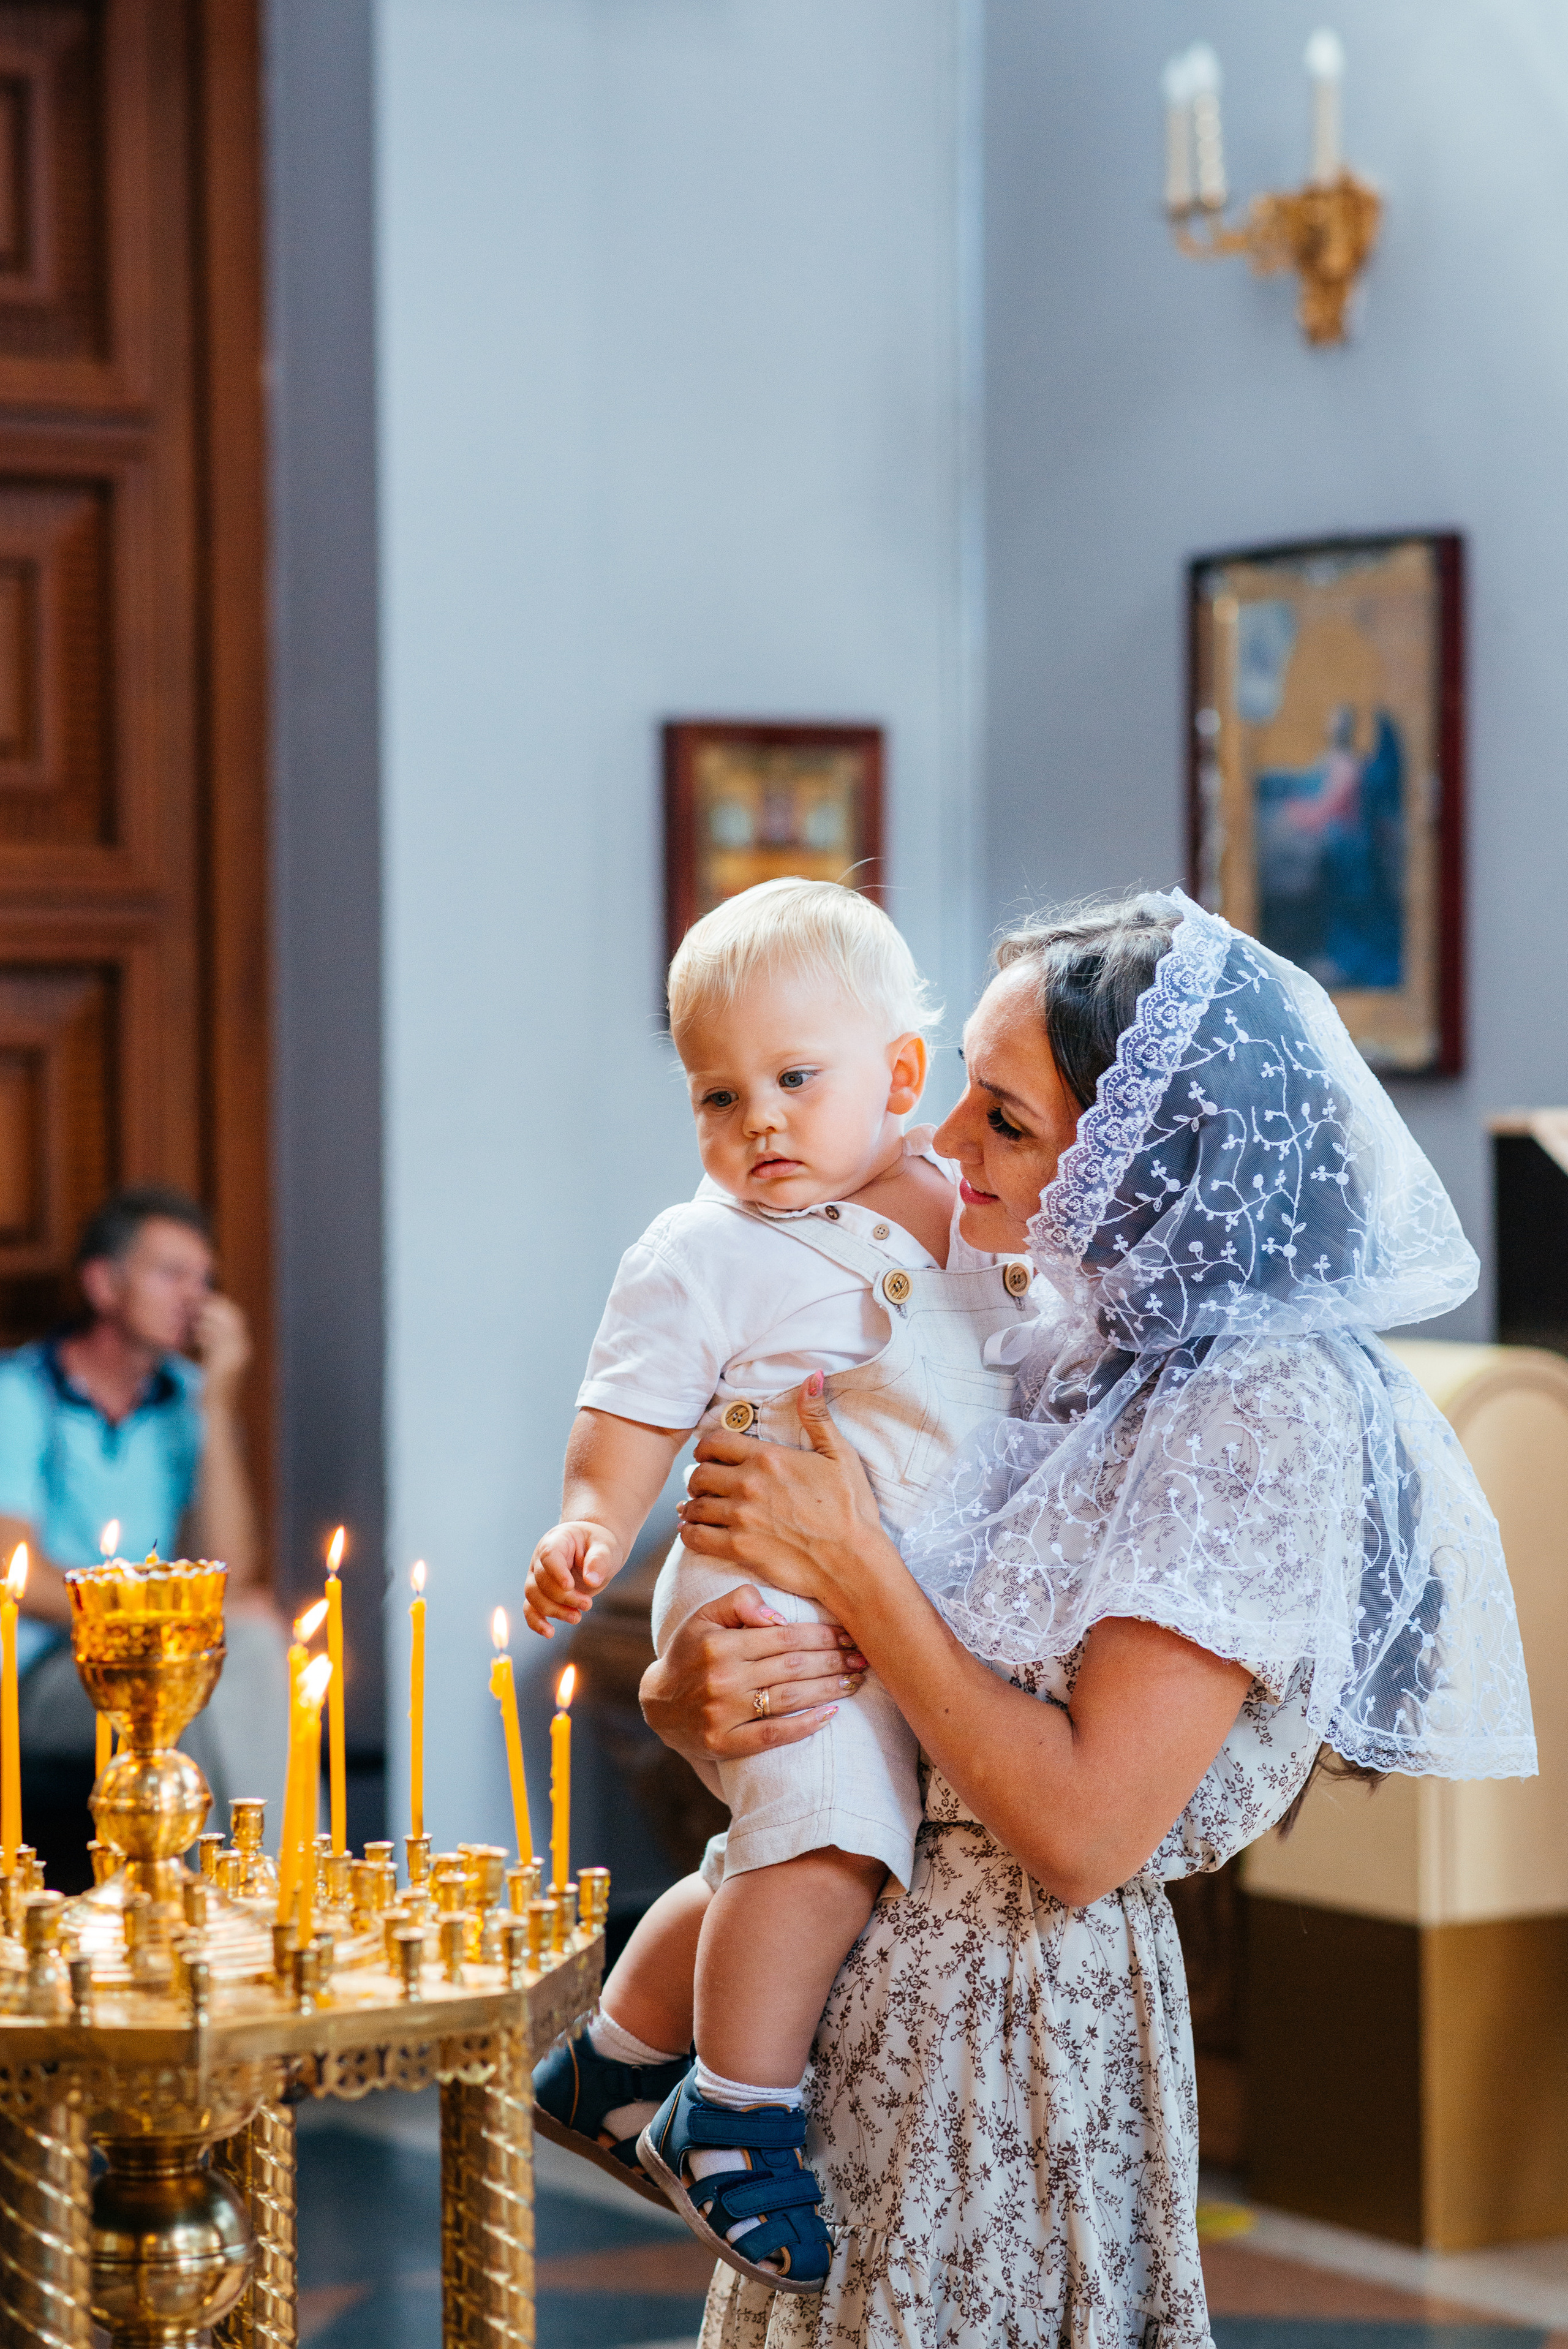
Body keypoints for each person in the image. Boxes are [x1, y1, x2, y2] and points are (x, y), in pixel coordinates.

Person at [641, 888, 1536, 2349]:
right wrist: (697, 1688)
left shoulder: (1256, 1405)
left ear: (1147, 1158)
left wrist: (854, 1564)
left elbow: (1077, 1827)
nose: (940, 1146)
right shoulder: (1059, 1342)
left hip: (1012, 2042)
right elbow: (875, 1692)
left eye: (1001, 1119)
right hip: (842, 2007)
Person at [526, 879, 1036, 2290]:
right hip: (760, 1590)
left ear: (900, 1074)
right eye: (715, 1092)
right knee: (820, 1838)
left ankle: (613, 2054)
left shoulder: (965, 1215)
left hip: (876, 1596)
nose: (754, 1121)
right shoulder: (707, 1246)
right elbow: (626, 1408)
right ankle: (734, 2108)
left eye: (792, 1079)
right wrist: (588, 1518)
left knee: (788, 1847)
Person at [0, 1187, 288, 1863]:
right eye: (171, 1273)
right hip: (53, 1668)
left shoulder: (186, 1398)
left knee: (243, 1641)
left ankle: (232, 1907)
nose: (198, 1297)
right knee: (225, 1650)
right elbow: (15, 1566)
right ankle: (275, 1904)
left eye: (205, 1279)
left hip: (157, 1658)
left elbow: (230, 1568)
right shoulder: (19, 1392)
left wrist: (217, 1404)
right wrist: (153, 1621)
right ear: (103, 1283)